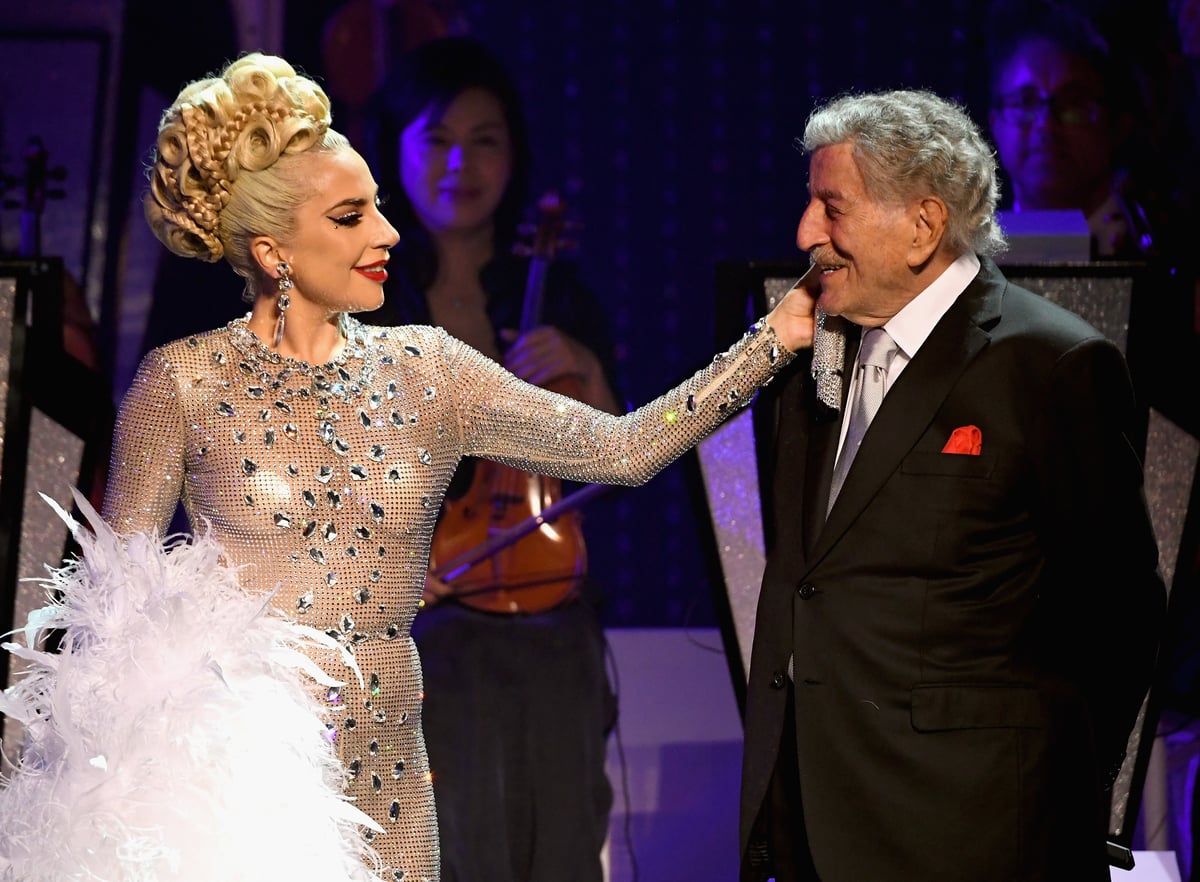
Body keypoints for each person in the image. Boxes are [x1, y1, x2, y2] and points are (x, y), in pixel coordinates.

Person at [0, 52, 809, 881]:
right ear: (275, 252)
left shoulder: (428, 367)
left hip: (393, 779)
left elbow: (623, 451)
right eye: (352, 216)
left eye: (379, 207)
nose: (388, 233)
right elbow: (116, 620)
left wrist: (772, 340)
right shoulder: (181, 380)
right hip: (242, 784)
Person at [739, 88, 1166, 882]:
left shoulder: (1051, 365)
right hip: (812, 829)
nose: (805, 233)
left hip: (975, 836)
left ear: (924, 225)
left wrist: (1055, 798)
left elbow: (1122, 615)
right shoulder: (810, 355)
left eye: (832, 207)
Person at [362, 36, 619, 882]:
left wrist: (585, 378)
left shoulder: (557, 295)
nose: (459, 165)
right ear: (394, 150)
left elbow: (616, 468)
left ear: (515, 154)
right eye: (436, 139)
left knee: (560, 700)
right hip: (416, 614)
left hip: (549, 606)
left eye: (485, 140)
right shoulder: (365, 301)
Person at [984, 0, 1166, 260]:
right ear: (995, 123)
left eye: (1073, 104)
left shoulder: (1161, 251)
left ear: (1117, 125)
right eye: (1025, 102)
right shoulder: (963, 260)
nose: (1046, 124)